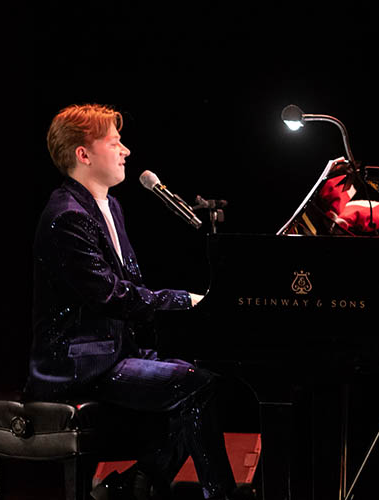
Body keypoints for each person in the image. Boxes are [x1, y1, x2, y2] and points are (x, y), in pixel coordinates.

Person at [26, 103, 246, 499]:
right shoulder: (66, 216)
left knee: (206, 374)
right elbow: (111, 295)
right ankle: (210, 492)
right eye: (115, 142)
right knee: (196, 384)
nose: (125, 150)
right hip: (78, 362)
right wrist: (183, 301)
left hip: (114, 353)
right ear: (84, 154)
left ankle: (133, 483)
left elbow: (129, 285)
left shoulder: (110, 206)